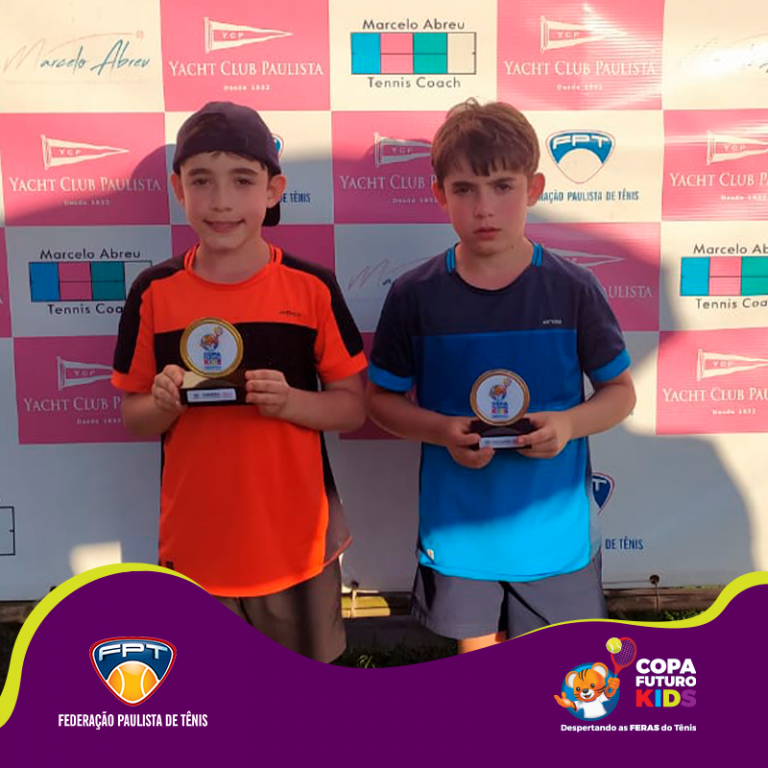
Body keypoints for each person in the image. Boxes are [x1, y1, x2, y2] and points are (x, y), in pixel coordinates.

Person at [366, 99, 636, 654]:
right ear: (440, 195)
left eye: (503, 186)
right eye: (464, 189)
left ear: (533, 189)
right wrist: (442, 431)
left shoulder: (573, 288)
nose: (484, 207)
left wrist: (567, 425)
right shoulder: (415, 295)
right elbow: (380, 401)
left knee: (559, 679)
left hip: (555, 539)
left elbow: (620, 394)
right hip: (461, 537)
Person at [112, 101, 367, 663]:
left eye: (242, 180)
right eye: (202, 180)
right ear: (178, 189)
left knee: (303, 692)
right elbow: (134, 415)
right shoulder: (153, 291)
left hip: (297, 545)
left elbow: (352, 407)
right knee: (213, 690)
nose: (221, 200)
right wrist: (163, 403)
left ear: (274, 190)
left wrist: (292, 402)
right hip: (197, 546)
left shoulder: (311, 287)